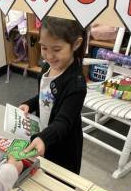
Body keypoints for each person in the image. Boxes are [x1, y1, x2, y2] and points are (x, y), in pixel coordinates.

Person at [19, 16, 87, 174]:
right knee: (41, 173)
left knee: (60, 180)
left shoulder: (76, 84)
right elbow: (45, 96)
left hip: (64, 146)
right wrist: (29, 104)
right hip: (45, 135)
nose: (49, 56)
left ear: (75, 44)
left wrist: (44, 138)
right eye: (44, 48)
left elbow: (63, 122)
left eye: (56, 50)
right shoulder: (47, 67)